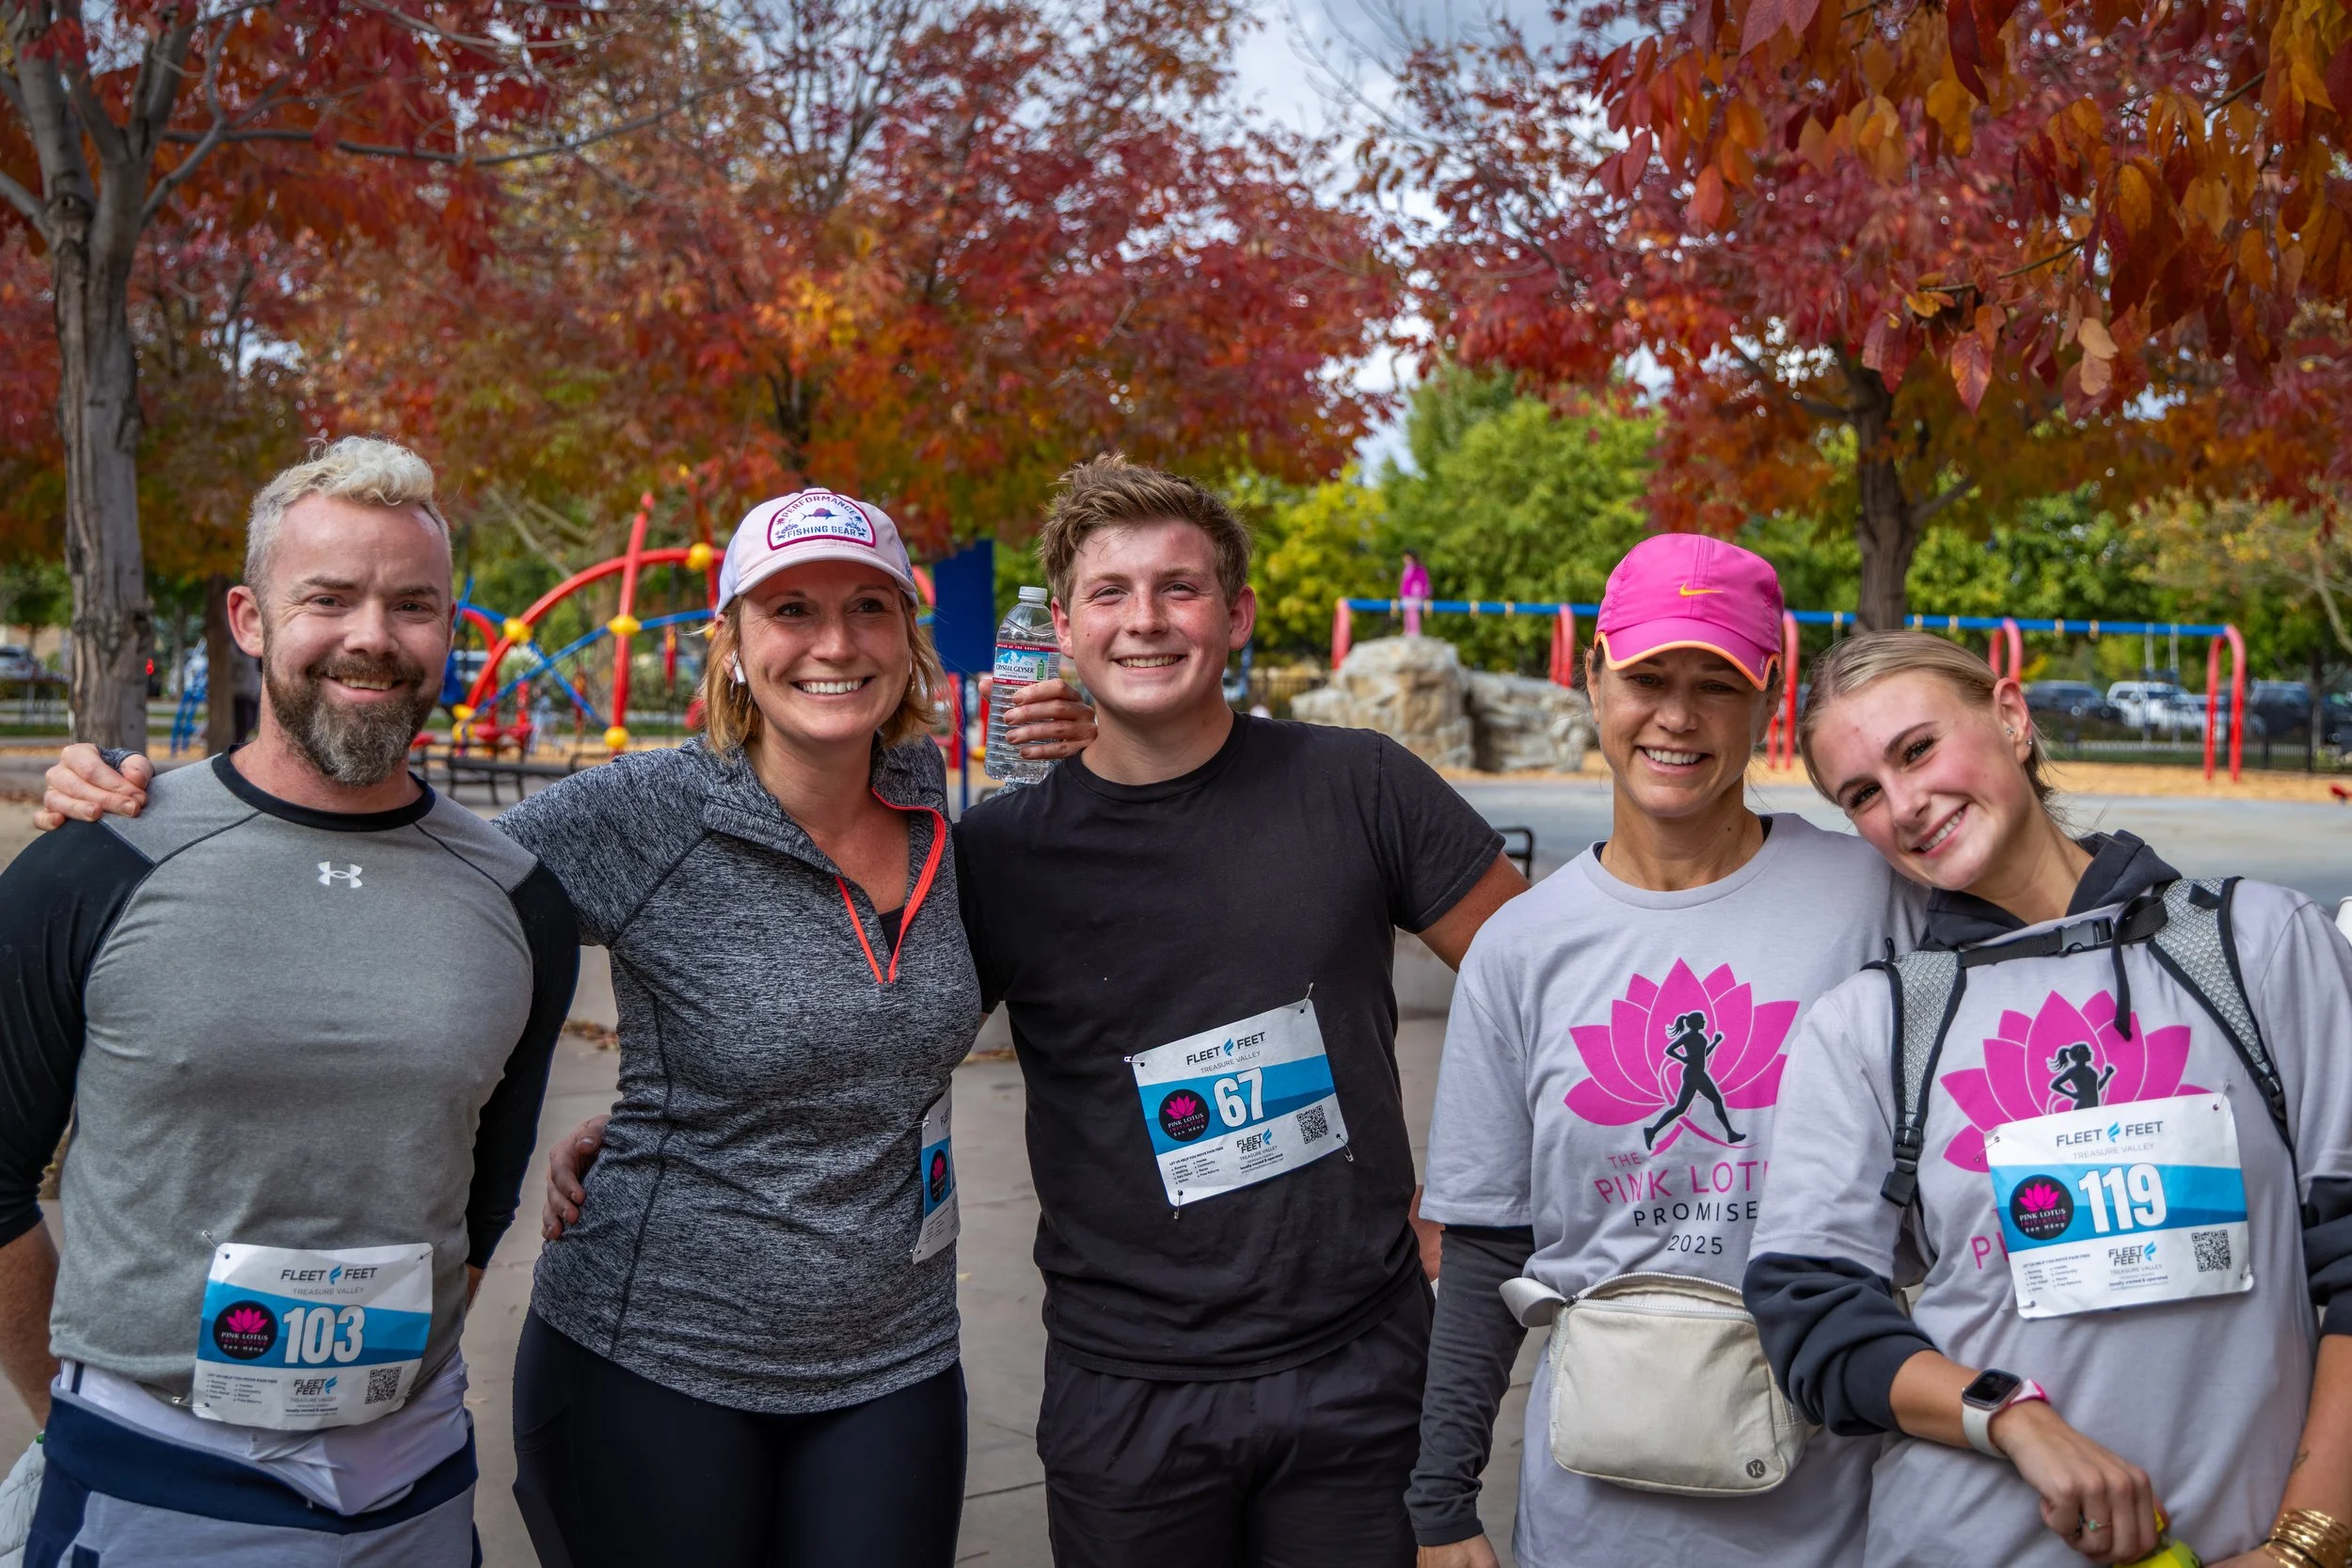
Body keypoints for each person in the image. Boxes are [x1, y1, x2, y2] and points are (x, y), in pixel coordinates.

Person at [39, 486, 1098, 1568]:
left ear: (907, 643)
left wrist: (1103, 732)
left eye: (869, 607)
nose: (834, 642)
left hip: (896, 1361)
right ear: (730, 643)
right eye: (790, 610)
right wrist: (161, 804)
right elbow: (413, 866)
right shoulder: (639, 814)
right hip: (656, 1359)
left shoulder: (944, 808)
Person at [0, 438, 579, 1564]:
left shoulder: (518, 897)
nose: (372, 634)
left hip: (411, 1492)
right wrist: (67, 1414)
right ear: (250, 619)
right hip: (145, 1488)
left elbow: (484, 1193)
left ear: (448, 631)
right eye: (329, 596)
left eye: (412, 603)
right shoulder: (92, 861)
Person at [951, 456, 1528, 1567]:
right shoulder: (1002, 854)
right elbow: (867, 1050)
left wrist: (1471, 1196)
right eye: (1111, 593)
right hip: (1126, 1393)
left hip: (1358, 1366)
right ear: (1063, 628)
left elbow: (1538, 991)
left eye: (1180, 587)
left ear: (1237, 614)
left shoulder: (1359, 784)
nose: (1146, 620)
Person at [1746, 630, 2352, 1567]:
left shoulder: (2261, 945)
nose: (1905, 804)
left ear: (2012, 715)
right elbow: (1809, 1311)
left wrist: (2306, 1545)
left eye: (1917, 749)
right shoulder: (1870, 1022)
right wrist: (2009, 1414)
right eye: (1860, 793)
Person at [1408, 535, 1926, 1568]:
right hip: (1597, 1506)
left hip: (1837, 1502)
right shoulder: (1520, 945)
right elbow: (1484, 1243)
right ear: (1591, 673)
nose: (1677, 716)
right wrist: (1441, 1500)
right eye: (1648, 676)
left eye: (1716, 684)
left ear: (1767, 696)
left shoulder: (1875, 899)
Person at [1401, 548, 1432, 637]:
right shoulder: (1407, 569)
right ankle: (1407, 629)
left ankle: (1415, 630)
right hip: (1407, 594)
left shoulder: (1418, 568)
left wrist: (1420, 591)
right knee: (1406, 612)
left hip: (1415, 595)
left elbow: (1423, 581)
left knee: (1413, 612)